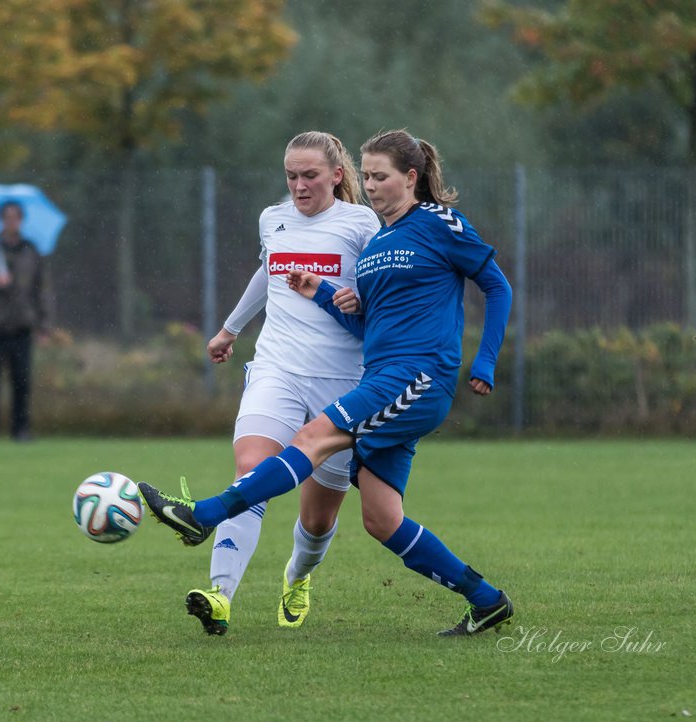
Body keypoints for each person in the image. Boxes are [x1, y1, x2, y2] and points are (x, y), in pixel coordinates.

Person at [139, 130, 514, 636]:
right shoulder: (380, 242)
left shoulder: (436, 222)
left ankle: (204, 515)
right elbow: (370, 329)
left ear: (411, 177)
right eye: (370, 175)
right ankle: (487, 600)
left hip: (417, 376)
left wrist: (485, 361)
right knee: (382, 519)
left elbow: (496, 283)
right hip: (383, 376)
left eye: (381, 176)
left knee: (313, 438)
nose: (373, 185)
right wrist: (322, 295)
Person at [184, 131, 380, 636]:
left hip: (342, 382)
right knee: (251, 471)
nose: (298, 185)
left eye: (309, 175)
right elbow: (267, 272)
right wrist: (230, 329)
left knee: (316, 519)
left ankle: (297, 575)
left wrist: (355, 299)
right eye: (291, 176)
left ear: (336, 175)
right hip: (278, 368)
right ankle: (219, 595)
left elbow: (381, 293)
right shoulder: (273, 219)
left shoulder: (360, 223)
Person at [0, 201, 54, 442]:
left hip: (21, 326)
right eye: (7, 217)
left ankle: (21, 430)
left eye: (16, 217)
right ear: (1, 220)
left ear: (21, 221)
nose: (11, 221)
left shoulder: (31, 251)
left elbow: (42, 290)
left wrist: (44, 325)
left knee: (22, 382)